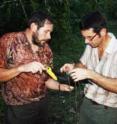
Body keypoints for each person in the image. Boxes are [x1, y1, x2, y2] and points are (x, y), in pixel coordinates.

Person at [0, 11, 74, 124]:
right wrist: (21, 68)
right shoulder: (9, 41)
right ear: (34, 26)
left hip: (42, 104)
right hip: (18, 108)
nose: (49, 36)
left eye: (51, 32)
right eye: (46, 31)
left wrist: (60, 86)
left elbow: (46, 79)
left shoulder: (46, 50)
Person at [60, 11, 117, 124]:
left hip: (109, 110)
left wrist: (91, 74)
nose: (86, 41)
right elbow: (82, 64)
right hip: (87, 102)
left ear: (103, 32)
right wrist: (73, 67)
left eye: (89, 37)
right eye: (84, 37)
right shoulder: (92, 44)